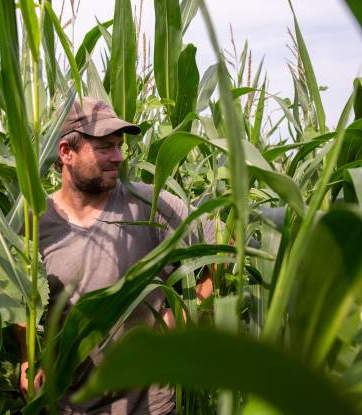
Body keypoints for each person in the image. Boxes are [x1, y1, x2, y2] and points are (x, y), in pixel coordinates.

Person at [13, 97, 215, 414]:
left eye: (120, 146)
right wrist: (27, 357)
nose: (118, 157)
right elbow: (18, 298)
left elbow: (217, 245)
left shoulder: (149, 204)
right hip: (69, 404)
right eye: (106, 147)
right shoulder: (35, 223)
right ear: (66, 152)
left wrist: (184, 316)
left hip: (149, 405)